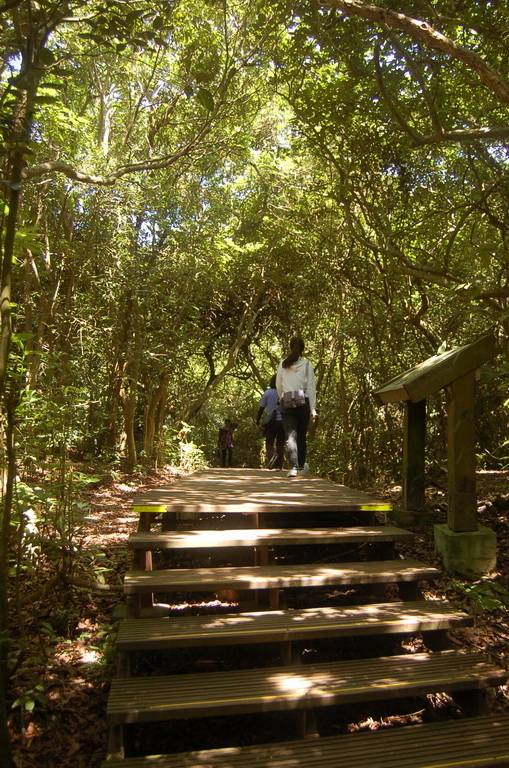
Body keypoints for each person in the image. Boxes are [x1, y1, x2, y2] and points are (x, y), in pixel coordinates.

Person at [276, 336, 317, 478]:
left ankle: (292, 467)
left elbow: (278, 384)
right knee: (301, 435)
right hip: (302, 401)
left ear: (290, 347)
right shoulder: (307, 365)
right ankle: (300, 466)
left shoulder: (283, 363)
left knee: (290, 436)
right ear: (303, 349)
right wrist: (313, 408)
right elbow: (311, 388)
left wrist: (282, 397)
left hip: (287, 401)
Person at [256, 375, 285, 469]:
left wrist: (257, 421)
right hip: (283, 421)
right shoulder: (285, 392)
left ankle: (272, 456)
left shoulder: (267, 393)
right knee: (280, 443)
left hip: (271, 422)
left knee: (269, 442)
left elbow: (261, 408)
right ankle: (279, 465)